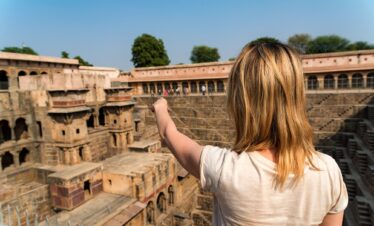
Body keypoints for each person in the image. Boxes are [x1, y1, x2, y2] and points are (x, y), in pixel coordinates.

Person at [152, 41, 348, 226]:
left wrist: (161, 106)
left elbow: (169, 133)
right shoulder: (328, 171)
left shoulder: (223, 168)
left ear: (241, 103)